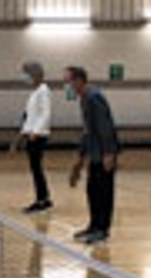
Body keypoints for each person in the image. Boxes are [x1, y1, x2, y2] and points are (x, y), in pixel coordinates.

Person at [65, 66, 119, 246]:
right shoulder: (84, 98)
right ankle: (94, 226)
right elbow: (88, 131)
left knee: (104, 192)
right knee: (93, 191)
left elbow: (105, 127)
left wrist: (109, 153)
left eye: (69, 81)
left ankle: (103, 230)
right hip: (94, 153)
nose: (67, 86)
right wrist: (80, 157)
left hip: (103, 154)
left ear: (79, 80)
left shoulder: (94, 97)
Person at [15, 60, 53, 213]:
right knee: (35, 168)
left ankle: (42, 200)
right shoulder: (35, 92)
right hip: (31, 135)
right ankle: (44, 198)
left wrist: (35, 132)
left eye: (26, 74)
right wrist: (22, 134)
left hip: (38, 136)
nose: (25, 77)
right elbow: (29, 116)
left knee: (37, 169)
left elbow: (45, 113)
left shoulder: (43, 91)